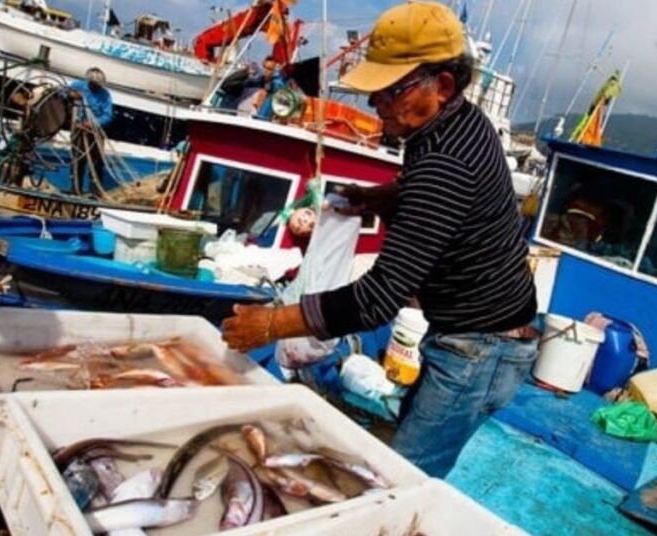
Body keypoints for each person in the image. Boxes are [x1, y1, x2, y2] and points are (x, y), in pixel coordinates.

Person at [221, 1, 537, 478]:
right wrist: (378, 198)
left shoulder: (442, 161)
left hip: (480, 348)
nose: (376, 104)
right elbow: (441, 197)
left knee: (399, 480)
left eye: (389, 91)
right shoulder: (457, 123)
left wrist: (270, 324)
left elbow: (377, 300)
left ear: (443, 86)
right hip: (480, 337)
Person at [68, 67, 113, 196]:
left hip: (95, 133)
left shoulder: (105, 94)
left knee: (96, 161)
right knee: (78, 159)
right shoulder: (77, 86)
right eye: (94, 84)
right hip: (78, 130)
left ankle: (95, 191)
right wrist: (71, 95)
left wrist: (93, 123)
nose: (97, 87)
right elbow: (62, 94)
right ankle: (75, 189)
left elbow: (108, 115)